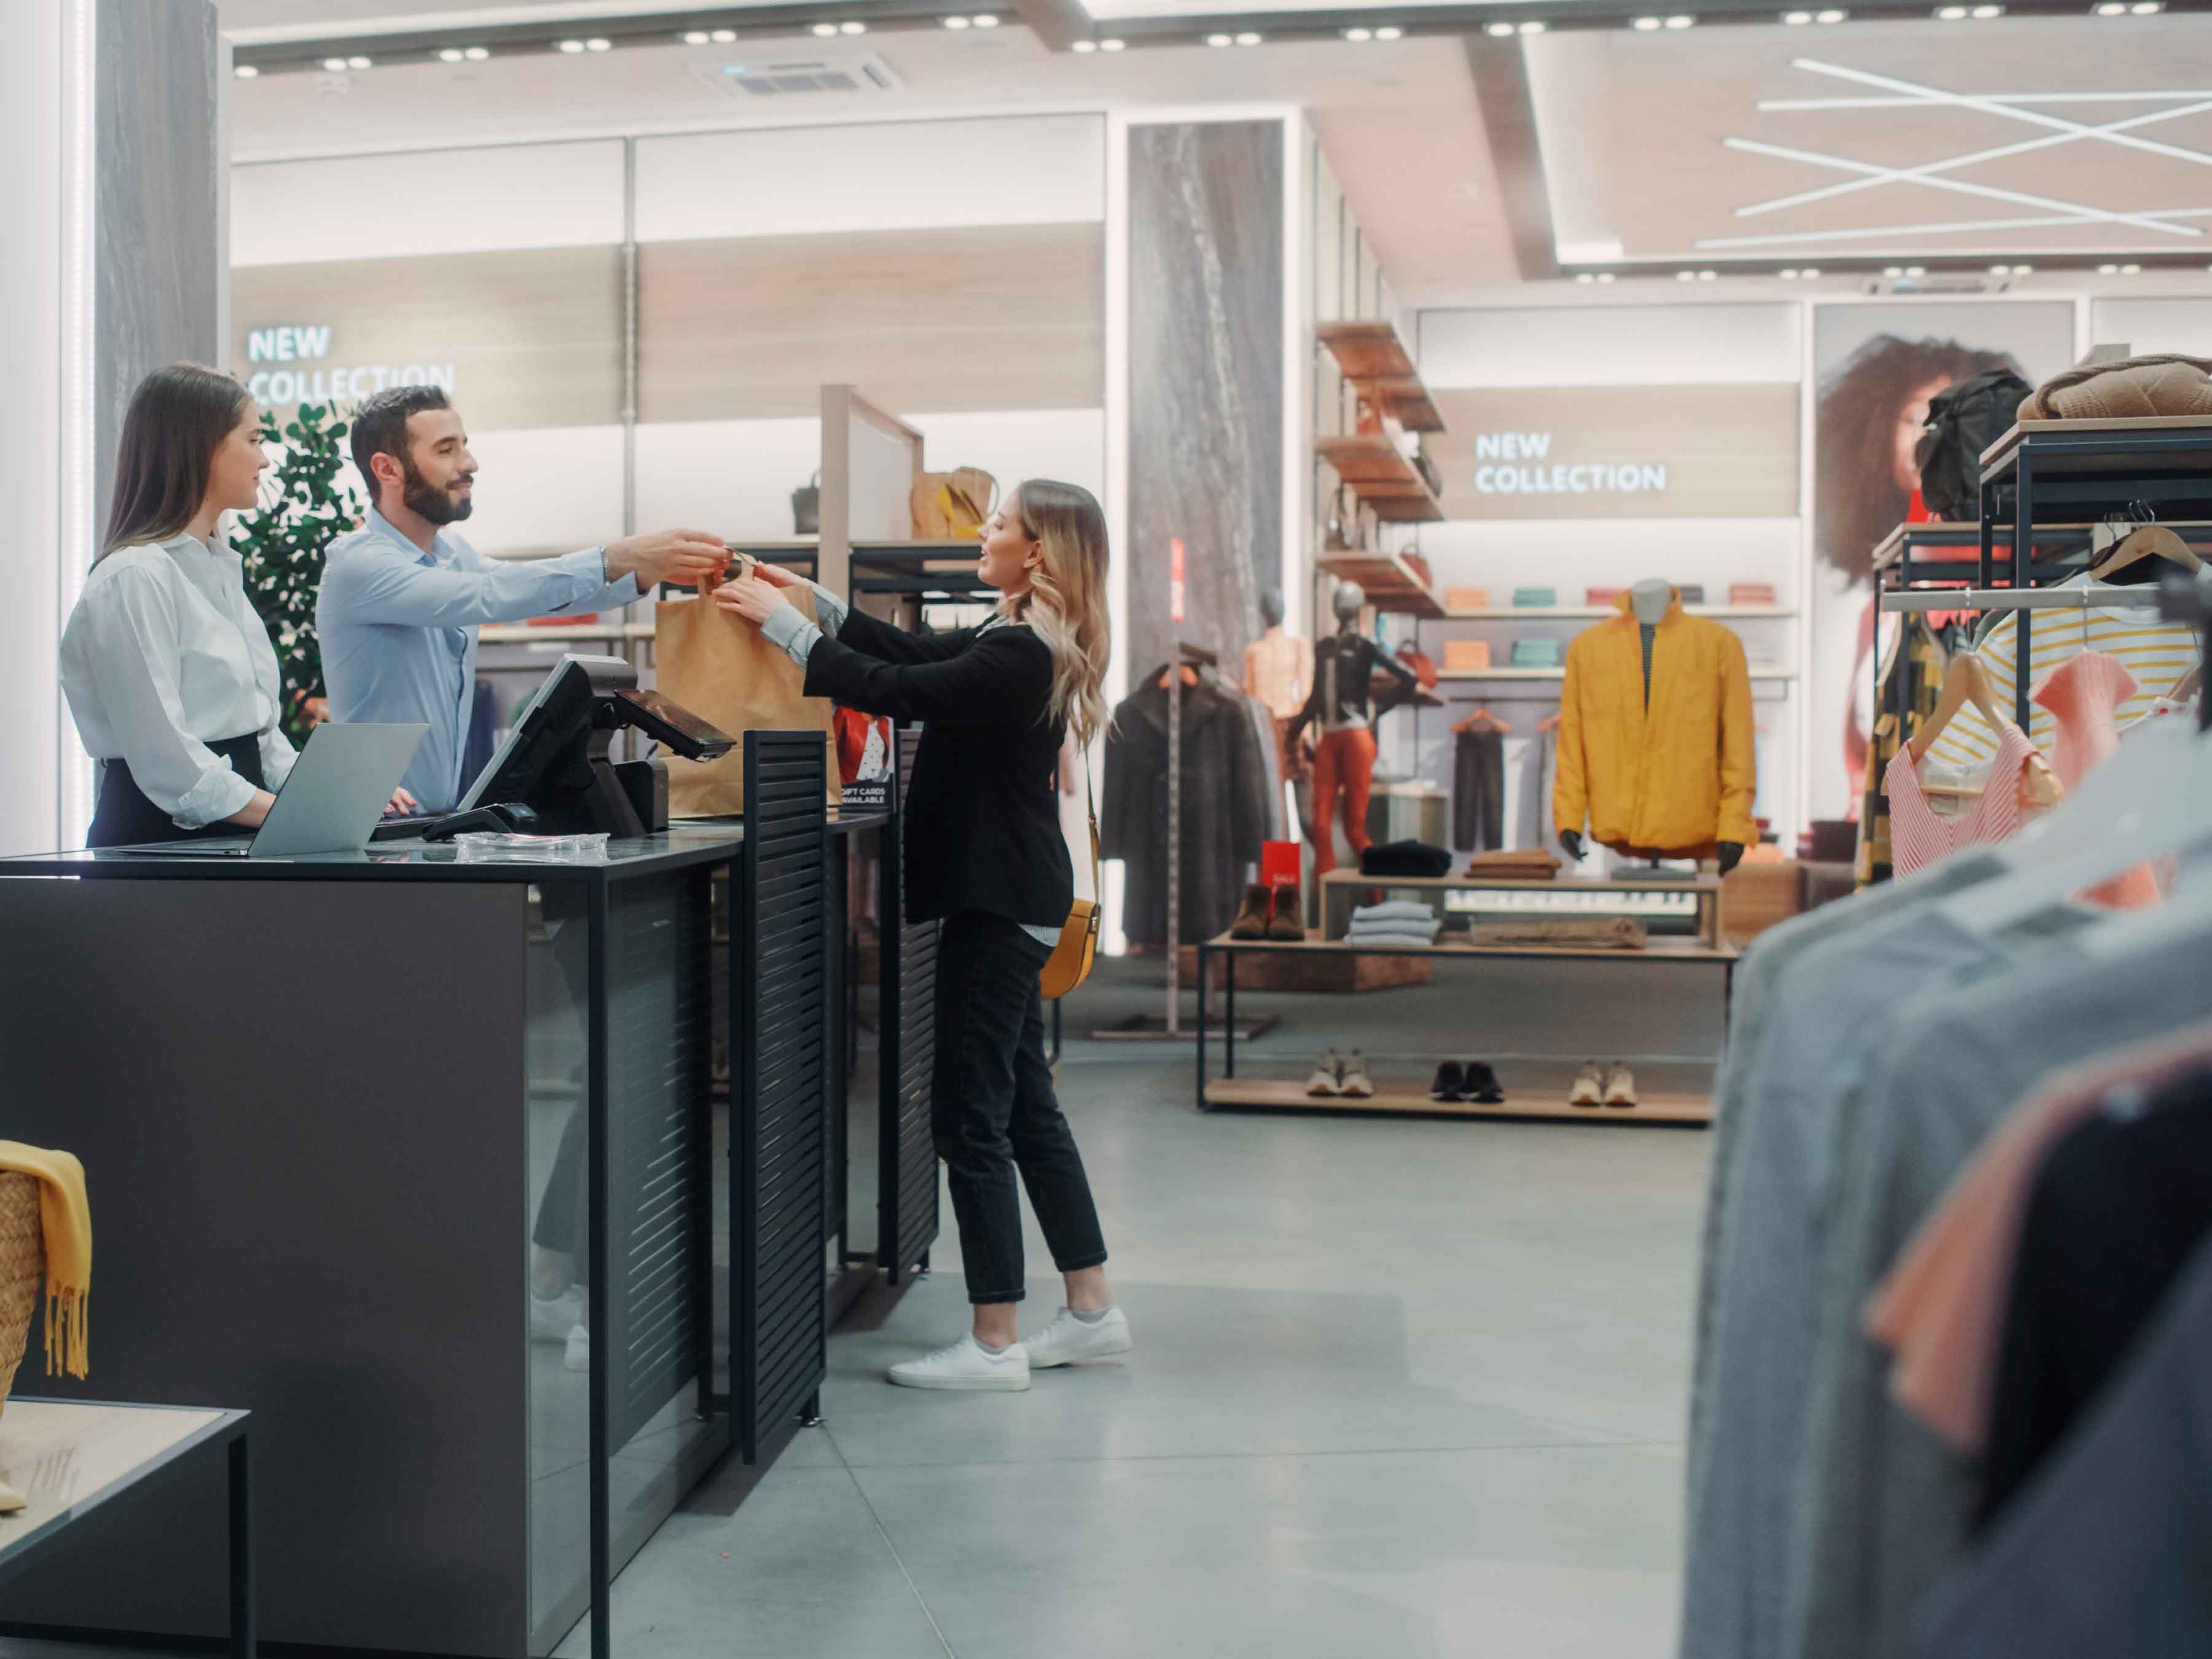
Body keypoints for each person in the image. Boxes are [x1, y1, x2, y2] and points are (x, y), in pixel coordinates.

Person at [716, 480, 1129, 1392]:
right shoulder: (1011, 640)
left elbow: (895, 689)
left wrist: (784, 631)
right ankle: (1091, 1309)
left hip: (997, 904)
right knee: (1024, 1111)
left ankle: (994, 1341)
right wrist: (810, 600)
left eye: (999, 525)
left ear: (1040, 553)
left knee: (967, 1119)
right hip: (1009, 898)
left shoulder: (1022, 653)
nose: (983, 534)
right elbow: (905, 649)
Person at [316, 385, 726, 812]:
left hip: (433, 823)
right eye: (446, 450)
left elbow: (535, 597)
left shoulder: (454, 555)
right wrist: (615, 557)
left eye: (465, 447)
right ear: (387, 469)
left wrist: (638, 571)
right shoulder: (358, 565)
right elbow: (490, 595)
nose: (469, 464)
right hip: (373, 826)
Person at [61, 363, 411, 848]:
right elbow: (171, 765)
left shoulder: (217, 570)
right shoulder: (133, 579)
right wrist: (311, 811)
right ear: (201, 447)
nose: (265, 460)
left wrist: (340, 795)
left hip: (232, 836)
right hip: (157, 849)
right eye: (253, 440)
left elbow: (262, 741)